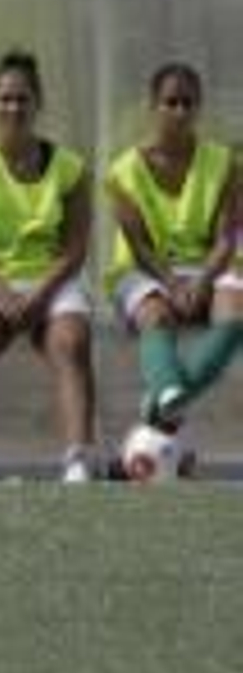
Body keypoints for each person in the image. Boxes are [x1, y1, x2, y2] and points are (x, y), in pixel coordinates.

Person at [0, 49, 95, 486]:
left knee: (71, 342)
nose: (13, 107)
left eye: (22, 98)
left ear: (38, 102)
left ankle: (78, 460)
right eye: (4, 98)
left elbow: (75, 248)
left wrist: (41, 294)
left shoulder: (70, 169)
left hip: (52, 276)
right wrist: (5, 294)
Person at [104, 62, 243, 433]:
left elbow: (227, 238)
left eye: (188, 103)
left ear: (198, 107)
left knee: (235, 317)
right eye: (171, 102)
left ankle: (161, 402)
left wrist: (202, 282)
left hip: (211, 264)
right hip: (145, 267)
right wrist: (173, 283)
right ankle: (169, 392)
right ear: (154, 106)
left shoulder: (225, 162)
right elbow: (137, 246)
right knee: (157, 316)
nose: (180, 111)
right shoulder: (122, 171)